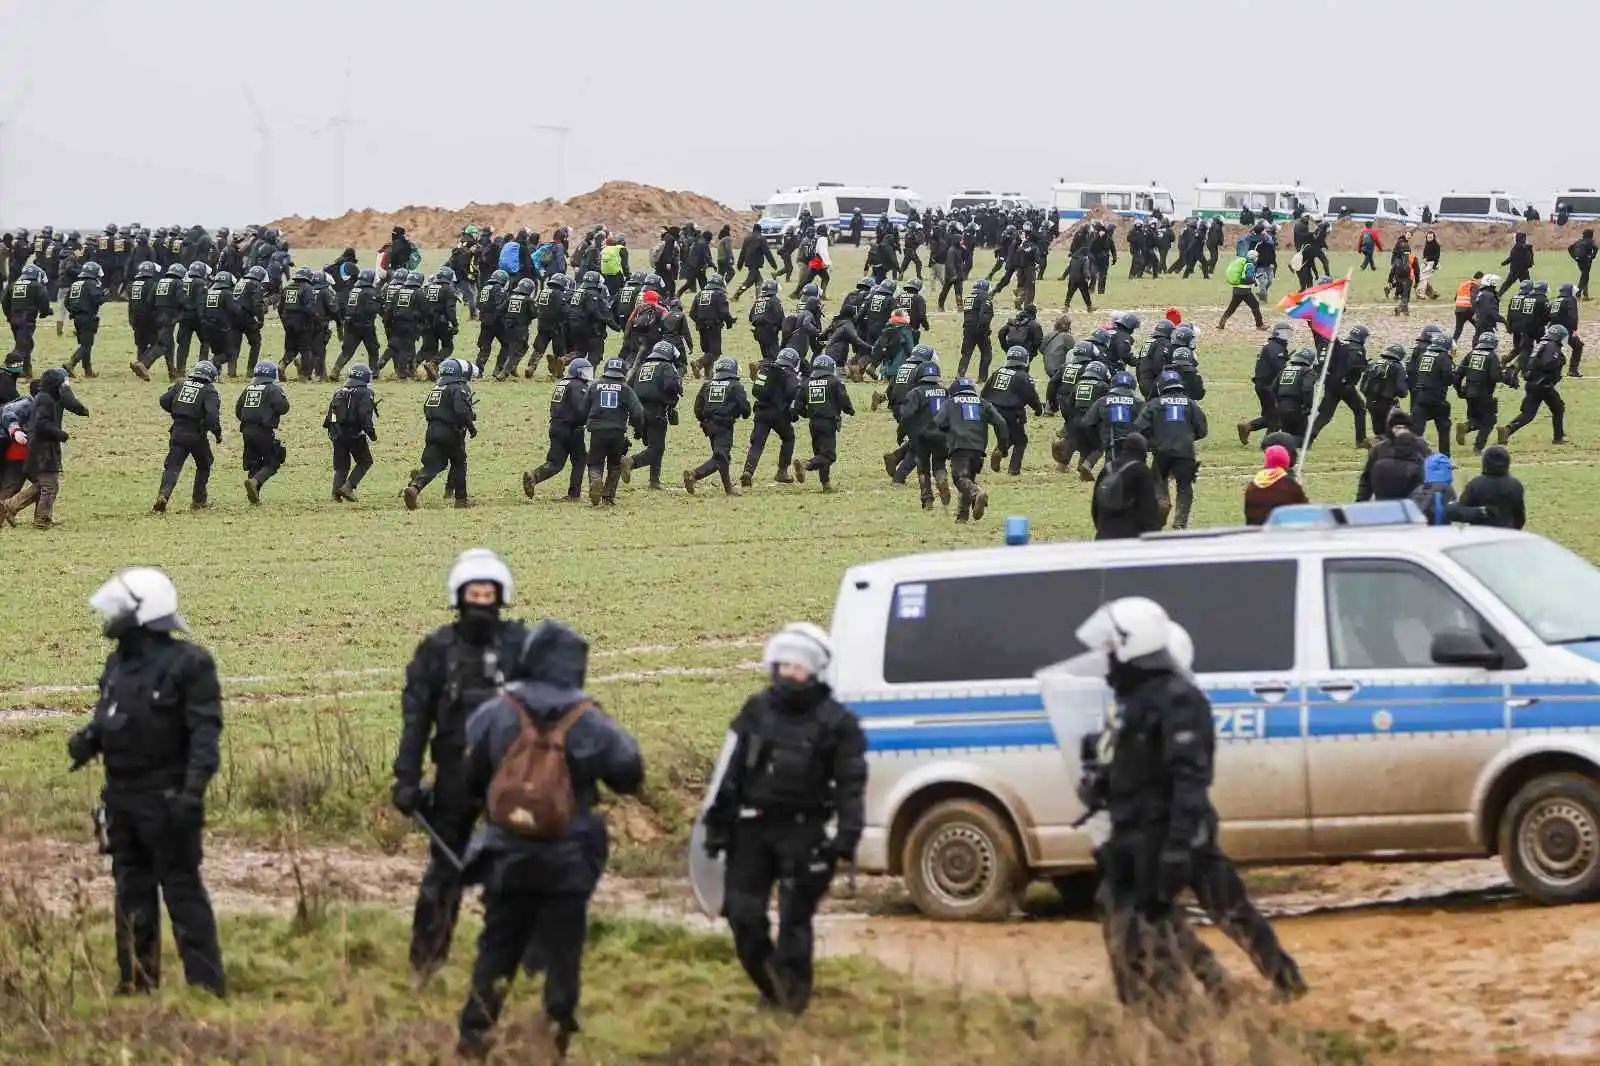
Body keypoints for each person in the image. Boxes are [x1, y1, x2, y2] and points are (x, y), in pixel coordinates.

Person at [1075, 598, 1303, 1009]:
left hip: (1179, 834)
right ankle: (1208, 991)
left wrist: (1180, 846)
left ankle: (1285, 981)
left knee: (1230, 910)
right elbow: (1131, 768)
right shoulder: (1132, 704)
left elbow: (1189, 779)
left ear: (1133, 645)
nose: (1107, 659)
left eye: (1113, 648)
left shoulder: (1178, 700)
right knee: (1149, 922)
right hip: (1138, 838)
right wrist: (1100, 785)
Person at [452, 618, 642, 1060]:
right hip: (568, 862)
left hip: (505, 856)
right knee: (563, 952)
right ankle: (553, 1039)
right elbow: (630, 774)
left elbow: (470, 781)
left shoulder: (497, 712)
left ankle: (473, 1037)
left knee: (496, 946)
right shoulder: (588, 720)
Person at [68, 568, 226, 997]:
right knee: (130, 892)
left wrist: (191, 793)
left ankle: (206, 989)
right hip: (121, 801)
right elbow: (112, 717)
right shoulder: (117, 664)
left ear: (144, 613)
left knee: (182, 892)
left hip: (169, 799)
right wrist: (88, 741)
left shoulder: (190, 664)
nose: (112, 617)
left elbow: (205, 736)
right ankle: (137, 983)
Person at [704, 623, 866, 1015]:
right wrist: (717, 823)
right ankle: (772, 987)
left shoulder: (838, 723)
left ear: (815, 671)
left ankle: (790, 1002)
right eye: (786, 664)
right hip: (751, 831)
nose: (792, 674)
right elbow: (731, 770)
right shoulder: (756, 710)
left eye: (801, 667)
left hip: (804, 833)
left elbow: (850, 786)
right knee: (743, 917)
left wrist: (845, 839)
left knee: (795, 923)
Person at [392, 549, 537, 977]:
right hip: (455, 775)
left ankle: (520, 962)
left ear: (500, 595)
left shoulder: (521, 648)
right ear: (458, 597)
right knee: (444, 870)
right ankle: (426, 964)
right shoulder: (435, 651)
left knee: (518, 869)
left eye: (486, 592)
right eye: (472, 592)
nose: (479, 600)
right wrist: (406, 777)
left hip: (511, 778)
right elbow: (416, 719)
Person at [0, 366, 88, 529]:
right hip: (34, 450)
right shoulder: (40, 400)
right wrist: (59, 434)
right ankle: (30, 515)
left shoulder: (51, 399)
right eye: (63, 383)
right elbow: (38, 423)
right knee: (41, 485)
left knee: (43, 485)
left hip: (38, 449)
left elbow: (72, 404)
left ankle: (34, 515)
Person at [1135, 370, 1208, 530]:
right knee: (1185, 486)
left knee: (1157, 479)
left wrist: (1153, 442)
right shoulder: (1191, 404)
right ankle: (1180, 521)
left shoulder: (1153, 405)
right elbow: (1202, 430)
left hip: (1161, 452)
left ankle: (1162, 501)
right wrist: (1187, 437)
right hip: (1185, 453)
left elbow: (1139, 427)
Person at [403, 359, 478, 509]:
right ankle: (461, 500)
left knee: (434, 464)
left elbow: (427, 409)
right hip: (452, 432)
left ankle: (415, 487)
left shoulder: (437, 388)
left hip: (432, 431)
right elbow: (461, 411)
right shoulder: (459, 387)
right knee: (459, 463)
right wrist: (471, 427)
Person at [934, 375, 1009, 522]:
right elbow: (1000, 422)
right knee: (968, 480)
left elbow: (939, 422)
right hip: (978, 448)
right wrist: (1002, 446)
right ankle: (962, 516)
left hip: (959, 446)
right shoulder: (983, 403)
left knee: (960, 479)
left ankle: (976, 494)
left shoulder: (950, 403)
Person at [154, 360, 222, 513]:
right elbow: (212, 417)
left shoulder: (180, 384)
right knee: (204, 464)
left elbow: (164, 400)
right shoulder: (209, 391)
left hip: (177, 431)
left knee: (173, 466)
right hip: (197, 434)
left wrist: (176, 412)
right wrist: (217, 434)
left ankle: (163, 495)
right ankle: (199, 500)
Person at [523, 358, 592, 501]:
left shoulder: (562, 383)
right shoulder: (578, 386)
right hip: (572, 429)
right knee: (580, 460)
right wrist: (588, 420)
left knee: (555, 463)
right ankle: (574, 494)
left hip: (556, 426)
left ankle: (535, 476)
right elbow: (580, 409)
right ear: (578, 372)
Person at [683, 357, 751, 496]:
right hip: (724, 426)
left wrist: (704, 422)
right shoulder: (735, 385)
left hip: (709, 426)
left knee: (720, 457)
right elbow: (745, 408)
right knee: (721, 458)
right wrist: (742, 413)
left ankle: (728, 489)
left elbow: (697, 408)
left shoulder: (708, 384)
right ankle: (694, 474)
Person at [584, 357, 644, 506]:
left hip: (597, 432)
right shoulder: (626, 389)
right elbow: (638, 412)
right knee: (615, 465)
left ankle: (596, 480)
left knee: (594, 463)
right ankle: (608, 497)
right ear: (623, 373)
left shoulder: (594, 386)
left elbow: (582, 407)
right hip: (617, 432)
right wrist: (638, 429)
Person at [791, 354, 854, 492]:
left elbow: (797, 407)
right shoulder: (834, 382)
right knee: (829, 455)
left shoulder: (806, 382)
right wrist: (849, 410)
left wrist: (806, 414)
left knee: (820, 454)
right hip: (828, 422)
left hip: (813, 423)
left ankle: (826, 485)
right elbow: (843, 399)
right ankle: (805, 464)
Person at [1499, 325, 1571, 446]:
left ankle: (1507, 430)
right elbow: (1547, 364)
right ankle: (1558, 437)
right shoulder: (1552, 346)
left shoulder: (1542, 344)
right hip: (1543, 385)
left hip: (1534, 383)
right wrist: (1560, 360)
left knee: (1529, 413)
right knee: (1558, 409)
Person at [628, 341, 685, 490]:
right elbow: (672, 386)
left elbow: (629, 385)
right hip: (656, 411)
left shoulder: (642, 367)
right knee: (656, 449)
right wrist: (673, 398)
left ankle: (654, 481)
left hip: (638, 412)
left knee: (654, 446)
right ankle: (630, 462)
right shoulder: (666, 367)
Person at [982, 346, 1043, 477]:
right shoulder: (1023, 377)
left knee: (1007, 436)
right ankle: (1013, 470)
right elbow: (1031, 396)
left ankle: (1000, 449)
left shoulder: (998, 372)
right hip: (1012, 412)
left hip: (993, 411)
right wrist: (1038, 409)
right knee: (1021, 441)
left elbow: (984, 393)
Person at [1090, 431, 1162, 539]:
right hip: (1131, 540)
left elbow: (1095, 507)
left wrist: (1102, 529)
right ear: (1143, 452)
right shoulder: (1142, 471)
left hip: (1104, 537)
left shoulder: (1108, 469)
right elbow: (1149, 510)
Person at [236, 361, 289, 505]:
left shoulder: (248, 388)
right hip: (263, 430)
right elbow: (283, 407)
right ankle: (254, 482)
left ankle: (254, 496)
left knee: (254, 463)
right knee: (273, 461)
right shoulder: (273, 389)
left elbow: (238, 410)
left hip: (246, 431)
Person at [324, 364, 378, 502]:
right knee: (365, 461)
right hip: (355, 434)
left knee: (341, 466)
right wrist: (371, 433)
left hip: (337, 434)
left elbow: (330, 415)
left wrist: (333, 431)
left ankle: (335, 493)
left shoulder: (340, 391)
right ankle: (348, 487)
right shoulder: (366, 392)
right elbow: (364, 415)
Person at [1357, 409, 1431, 501]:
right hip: (1385, 498)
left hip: (1413, 498)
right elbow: (1366, 479)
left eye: (1404, 428)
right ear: (1391, 429)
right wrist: (1361, 501)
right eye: (1398, 428)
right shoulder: (1379, 449)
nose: (1401, 431)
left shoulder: (1420, 445)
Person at [1453, 332, 1505, 455]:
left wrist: (1460, 390)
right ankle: (1478, 447)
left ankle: (1466, 427)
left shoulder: (1470, 354)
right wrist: (1502, 373)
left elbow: (1458, 374)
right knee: (1489, 421)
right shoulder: (1492, 356)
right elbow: (1495, 377)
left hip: (1469, 393)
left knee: (1476, 419)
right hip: (1484, 394)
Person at [3, 262, 51, 378]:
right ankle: (9, 369)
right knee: (23, 346)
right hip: (27, 320)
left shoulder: (14, 284)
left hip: (14, 320)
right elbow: (44, 300)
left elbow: (5, 302)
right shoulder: (37, 286)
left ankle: (26, 370)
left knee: (25, 344)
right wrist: (45, 312)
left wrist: (9, 316)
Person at [1459, 445, 1526, 529]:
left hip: (1480, 534)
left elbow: (1461, 512)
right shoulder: (1515, 485)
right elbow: (1520, 517)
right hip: (1507, 534)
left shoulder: (1475, 484)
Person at [63, 261, 109, 378]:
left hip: (77, 318)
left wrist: (74, 311)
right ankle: (71, 363)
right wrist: (105, 296)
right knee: (86, 345)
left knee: (85, 344)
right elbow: (97, 299)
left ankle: (88, 370)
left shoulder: (76, 283)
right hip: (88, 317)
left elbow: (66, 301)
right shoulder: (91, 283)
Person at [1243, 444, 1308, 525]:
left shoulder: (1252, 486)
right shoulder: (1289, 486)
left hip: (1256, 533)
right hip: (1281, 533)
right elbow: (1304, 510)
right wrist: (1299, 488)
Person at [1217, 251, 1265, 331]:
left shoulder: (1244, 263)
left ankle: (1221, 323)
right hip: (1245, 291)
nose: (1257, 258)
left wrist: (1255, 277)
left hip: (1236, 289)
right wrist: (1255, 281)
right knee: (1255, 306)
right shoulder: (1250, 265)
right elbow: (1248, 278)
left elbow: (1244, 276)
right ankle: (1260, 325)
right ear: (1253, 258)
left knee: (1231, 308)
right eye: (1256, 257)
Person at [1570, 228, 1596, 299]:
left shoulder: (1579, 241)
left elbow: (1570, 248)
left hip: (1579, 261)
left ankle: (1585, 294)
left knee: (1585, 276)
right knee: (1584, 277)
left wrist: (1574, 257)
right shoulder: (1590, 241)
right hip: (1586, 260)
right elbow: (1596, 248)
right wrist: (1592, 257)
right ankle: (1578, 293)